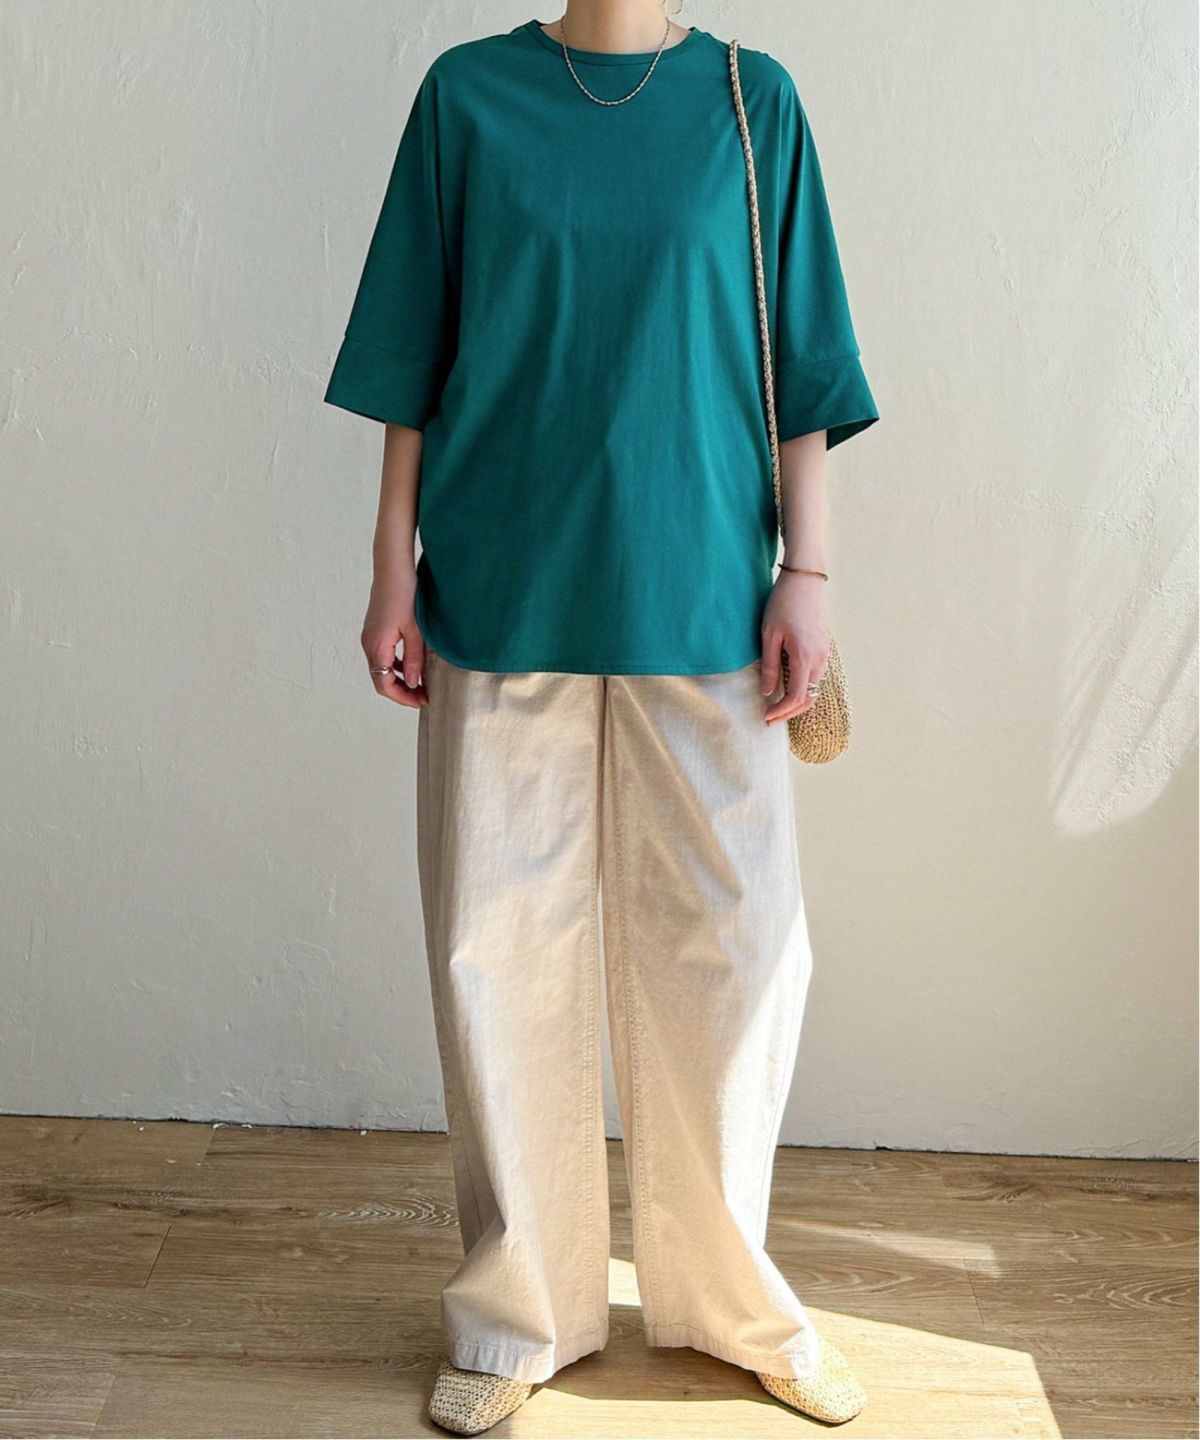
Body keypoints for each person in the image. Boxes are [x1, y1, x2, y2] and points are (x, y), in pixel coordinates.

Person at [323, 2, 879, 1433]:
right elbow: (410, 355)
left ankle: (733, 1303)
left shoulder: (755, 103)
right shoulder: (468, 98)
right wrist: (390, 564)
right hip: (501, 586)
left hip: (706, 597)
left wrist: (809, 571)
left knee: (737, 956)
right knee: (498, 953)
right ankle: (517, 1317)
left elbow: (804, 362)